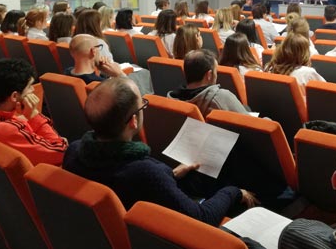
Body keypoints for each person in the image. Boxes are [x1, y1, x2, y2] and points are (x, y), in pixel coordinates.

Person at [63, 77, 257, 226]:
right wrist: (234, 192)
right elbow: (201, 218)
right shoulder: (144, 172)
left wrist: (170, 174)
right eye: (142, 106)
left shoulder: (74, 151)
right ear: (133, 121)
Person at [0, 58, 67, 165]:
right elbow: (60, 152)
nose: (33, 90)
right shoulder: (9, 130)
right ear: (14, 96)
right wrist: (34, 115)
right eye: (29, 86)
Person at [168, 49, 249, 117]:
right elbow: (248, 122)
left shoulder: (172, 101)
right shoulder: (222, 97)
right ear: (209, 75)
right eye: (216, 71)